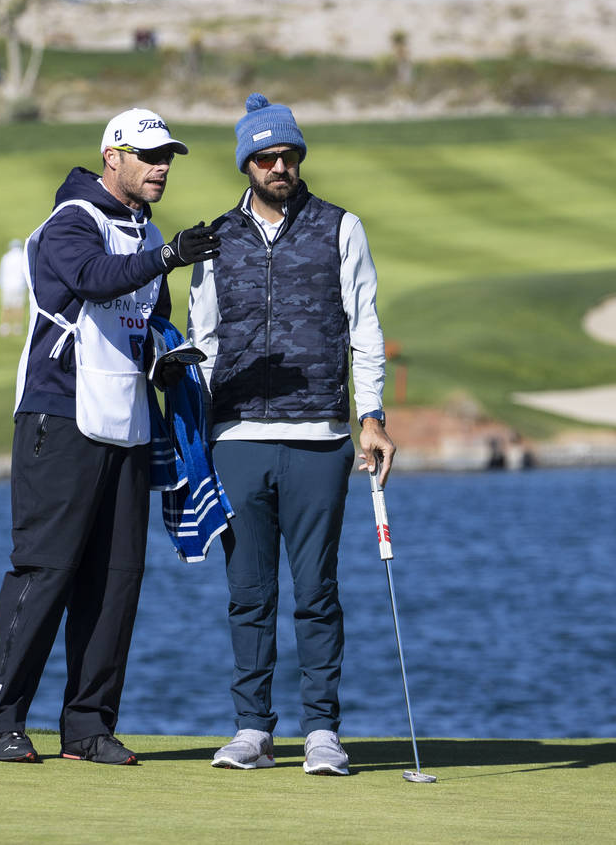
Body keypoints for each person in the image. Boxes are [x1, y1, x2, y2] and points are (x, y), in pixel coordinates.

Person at [0, 108, 219, 767]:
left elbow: (148, 322)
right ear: (112, 156)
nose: (161, 166)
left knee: (117, 580)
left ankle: (87, 726)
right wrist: (165, 256)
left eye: (168, 155)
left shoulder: (148, 230)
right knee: (46, 571)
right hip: (58, 419)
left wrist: (168, 357)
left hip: (128, 424)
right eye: (148, 155)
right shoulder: (70, 222)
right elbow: (92, 280)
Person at [188, 92, 396, 776]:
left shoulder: (341, 227)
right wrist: (199, 429)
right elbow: (204, 343)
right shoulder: (215, 239)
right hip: (238, 438)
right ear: (247, 162)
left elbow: (364, 330)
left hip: (322, 437)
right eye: (266, 155)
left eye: (289, 154)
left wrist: (372, 418)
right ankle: (252, 730)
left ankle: (321, 733)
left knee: (317, 592)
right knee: (249, 592)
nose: (279, 164)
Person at [0, 238, 26, 336]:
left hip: (7, 285)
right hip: (19, 285)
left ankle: (5, 326)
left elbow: (2, 272)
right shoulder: (23, 257)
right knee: (19, 306)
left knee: (6, 306)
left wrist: (1, 284)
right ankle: (17, 326)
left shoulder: (6, 257)